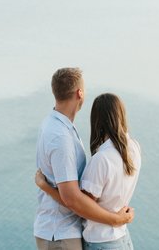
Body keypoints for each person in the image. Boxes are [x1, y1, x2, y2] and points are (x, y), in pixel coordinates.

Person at [34, 68, 134, 250]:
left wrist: (44, 185)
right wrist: (117, 219)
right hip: (60, 232)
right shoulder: (61, 137)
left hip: (63, 231)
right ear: (80, 93)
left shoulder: (59, 126)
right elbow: (72, 199)